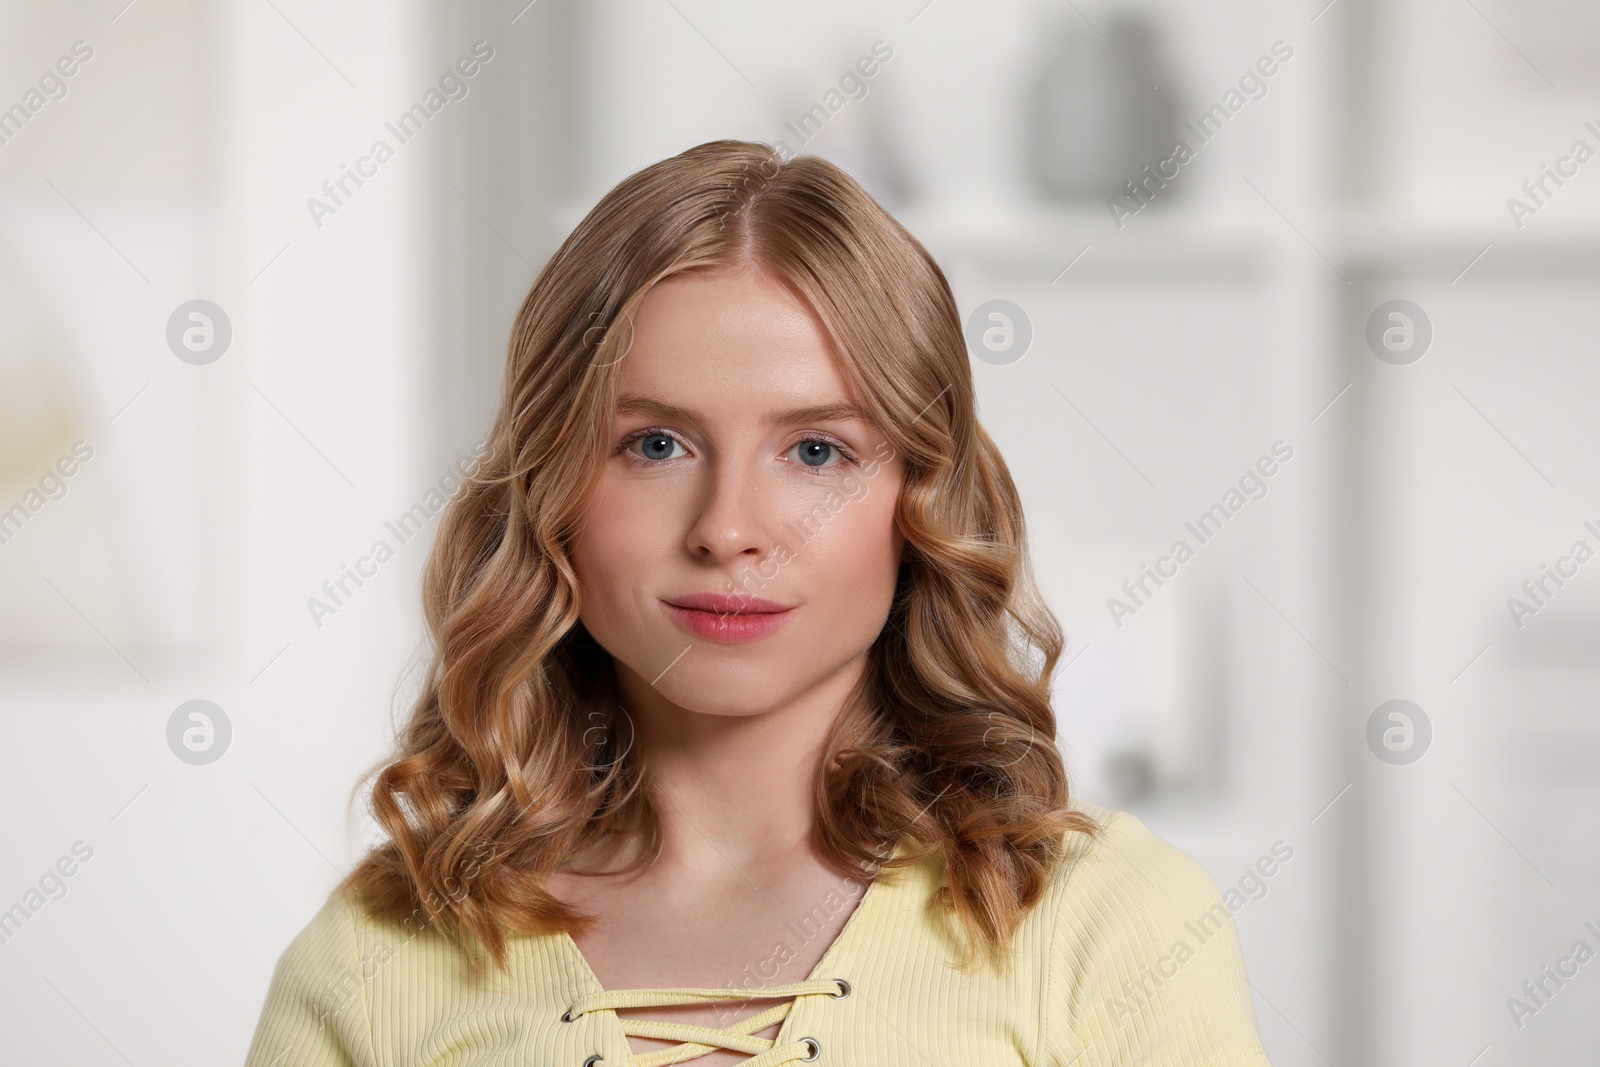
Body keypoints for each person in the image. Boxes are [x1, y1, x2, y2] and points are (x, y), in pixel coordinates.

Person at [242, 139, 1272, 1067]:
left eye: (816, 450)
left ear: (921, 497)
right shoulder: (373, 962)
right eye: (654, 444)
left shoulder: (1111, 924)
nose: (727, 526)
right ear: (549, 490)